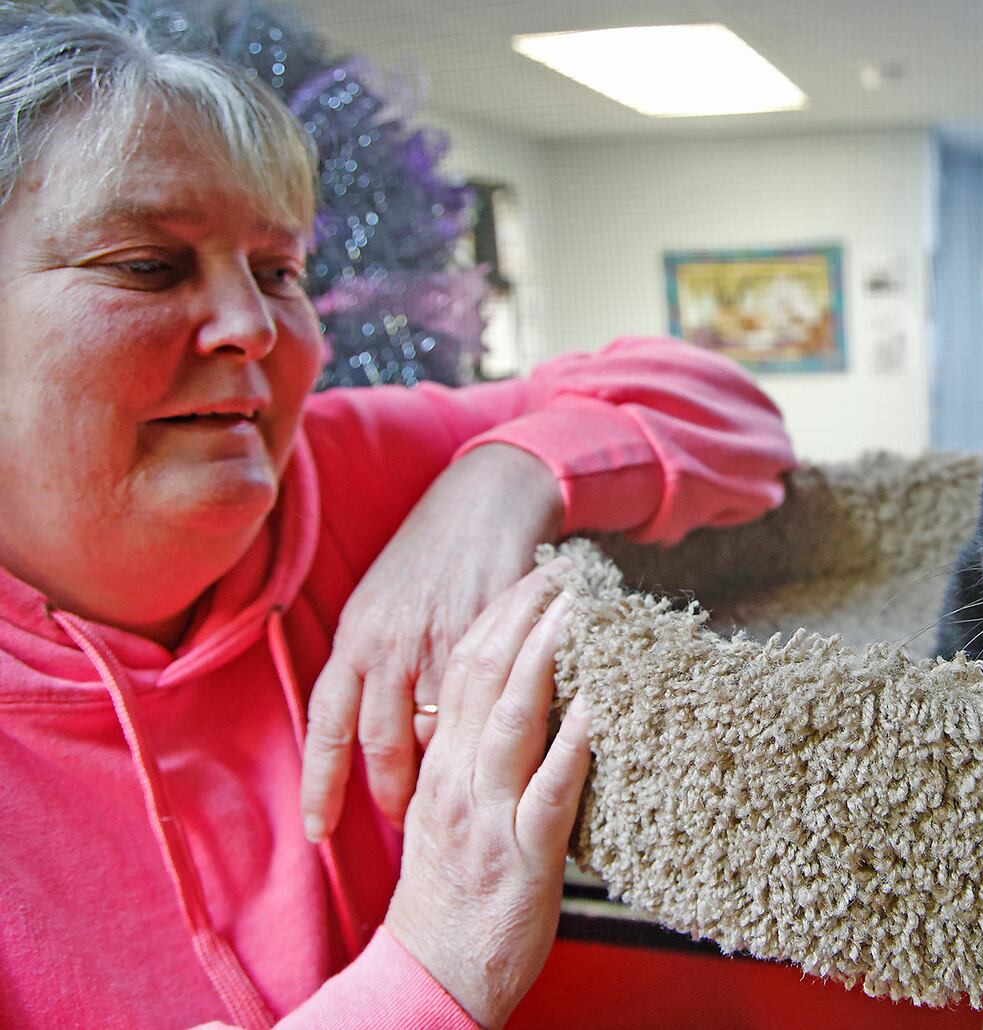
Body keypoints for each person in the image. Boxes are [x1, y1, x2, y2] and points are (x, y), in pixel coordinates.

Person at [0, 5, 795, 1027]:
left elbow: (730, 409)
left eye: (279, 271)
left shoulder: (338, 461)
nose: (254, 325)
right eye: (148, 265)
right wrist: (436, 966)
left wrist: (502, 479)